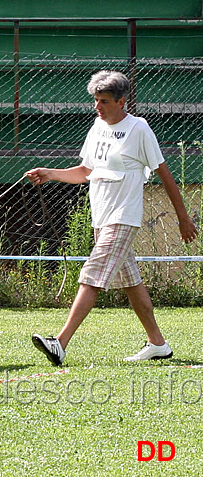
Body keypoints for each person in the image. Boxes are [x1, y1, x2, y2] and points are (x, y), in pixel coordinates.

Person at [26, 70, 198, 366]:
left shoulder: (139, 129)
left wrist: (183, 218)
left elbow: (165, 175)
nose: (98, 107)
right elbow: (86, 171)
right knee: (131, 282)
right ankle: (158, 344)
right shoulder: (97, 127)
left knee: (92, 275)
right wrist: (50, 173)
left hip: (123, 217)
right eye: (96, 100)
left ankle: (60, 343)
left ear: (122, 101)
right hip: (101, 217)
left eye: (104, 101)